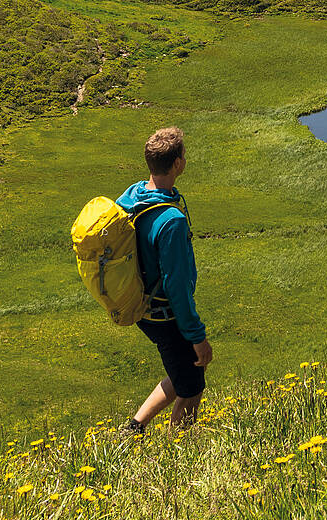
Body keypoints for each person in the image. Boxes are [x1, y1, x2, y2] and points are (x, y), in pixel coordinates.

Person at [117, 127, 212, 433]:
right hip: (164, 313)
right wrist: (197, 338)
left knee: (181, 369)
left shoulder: (133, 196)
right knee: (192, 385)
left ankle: (133, 429)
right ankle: (178, 455)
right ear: (177, 165)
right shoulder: (171, 221)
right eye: (183, 155)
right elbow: (177, 288)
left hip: (142, 305)